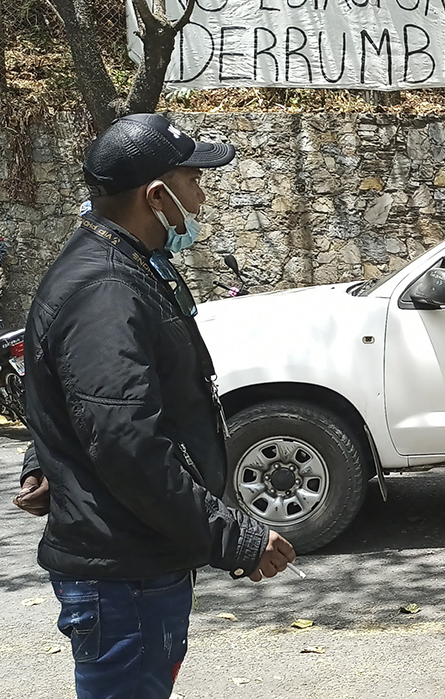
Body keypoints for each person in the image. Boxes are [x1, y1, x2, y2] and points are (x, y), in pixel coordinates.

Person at [16, 113, 295, 699]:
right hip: (125, 574)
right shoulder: (106, 289)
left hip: (133, 561)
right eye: (195, 182)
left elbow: (74, 398)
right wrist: (235, 538)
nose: (202, 198)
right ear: (158, 196)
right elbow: (128, 443)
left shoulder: (117, 266)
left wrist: (45, 464)